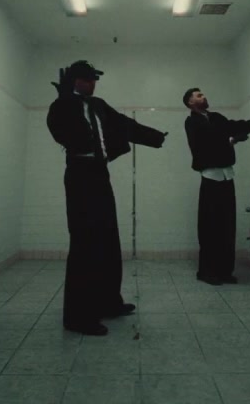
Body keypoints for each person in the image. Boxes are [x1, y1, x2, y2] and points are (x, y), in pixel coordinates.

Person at [47, 60, 167, 335]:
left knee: (108, 239)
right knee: (84, 243)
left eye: (94, 79)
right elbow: (61, 132)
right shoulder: (62, 106)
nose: (93, 84)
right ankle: (78, 317)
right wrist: (65, 100)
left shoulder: (98, 105)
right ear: (75, 81)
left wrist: (154, 137)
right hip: (79, 174)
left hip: (100, 174)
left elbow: (123, 124)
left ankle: (108, 302)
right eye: (88, 79)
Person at [183, 87, 250, 286]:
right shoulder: (192, 122)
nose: (204, 96)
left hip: (227, 176)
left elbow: (232, 126)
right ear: (190, 103)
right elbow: (205, 142)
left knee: (227, 226)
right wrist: (230, 139)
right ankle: (207, 272)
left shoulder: (217, 117)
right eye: (199, 95)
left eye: (203, 93)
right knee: (210, 227)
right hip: (211, 178)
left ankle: (224, 271)